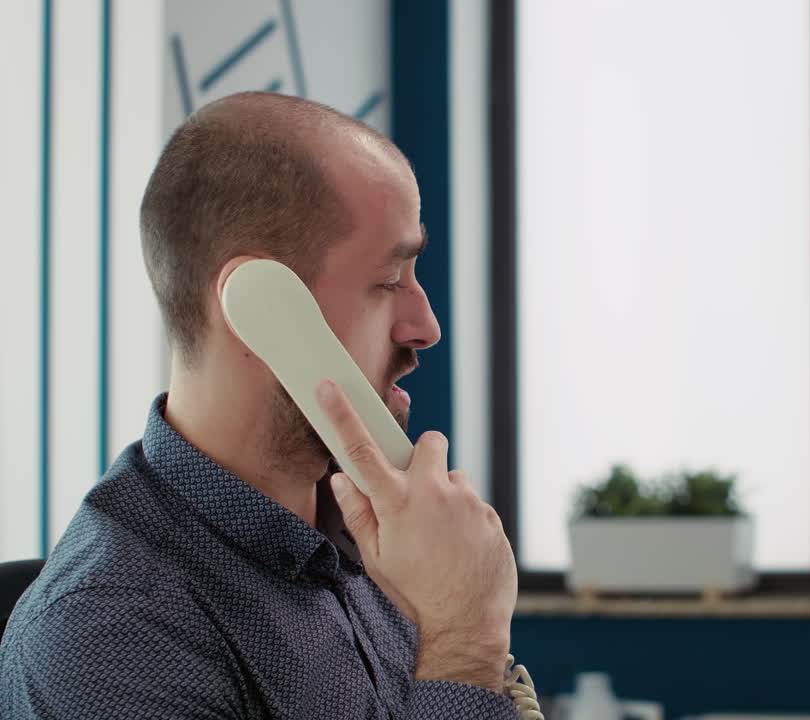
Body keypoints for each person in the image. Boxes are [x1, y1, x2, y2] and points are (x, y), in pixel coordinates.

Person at [0, 92, 521, 719]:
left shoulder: (381, 546)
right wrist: (464, 647)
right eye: (388, 282)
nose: (425, 325)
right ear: (262, 310)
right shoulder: (106, 632)